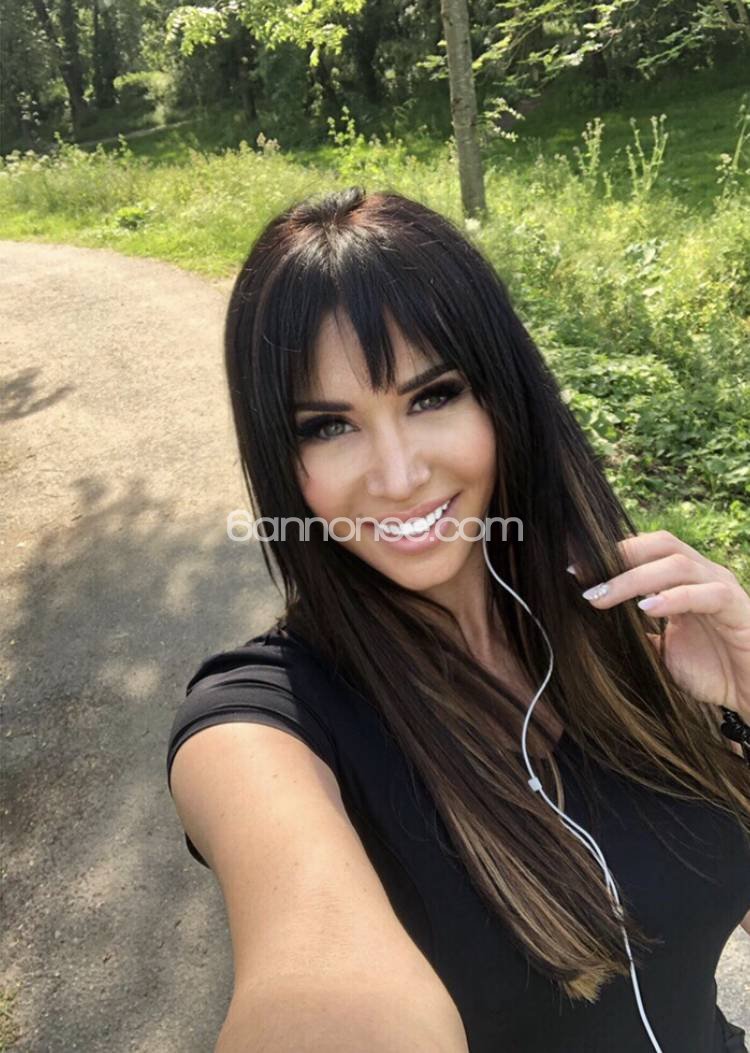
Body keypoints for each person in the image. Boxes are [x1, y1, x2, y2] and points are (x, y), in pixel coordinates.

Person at [166, 187, 750, 1053]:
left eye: (432, 396)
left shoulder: (626, 623)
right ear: (282, 463)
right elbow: (316, 982)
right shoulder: (262, 726)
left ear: (503, 399)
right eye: (328, 426)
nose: (398, 475)